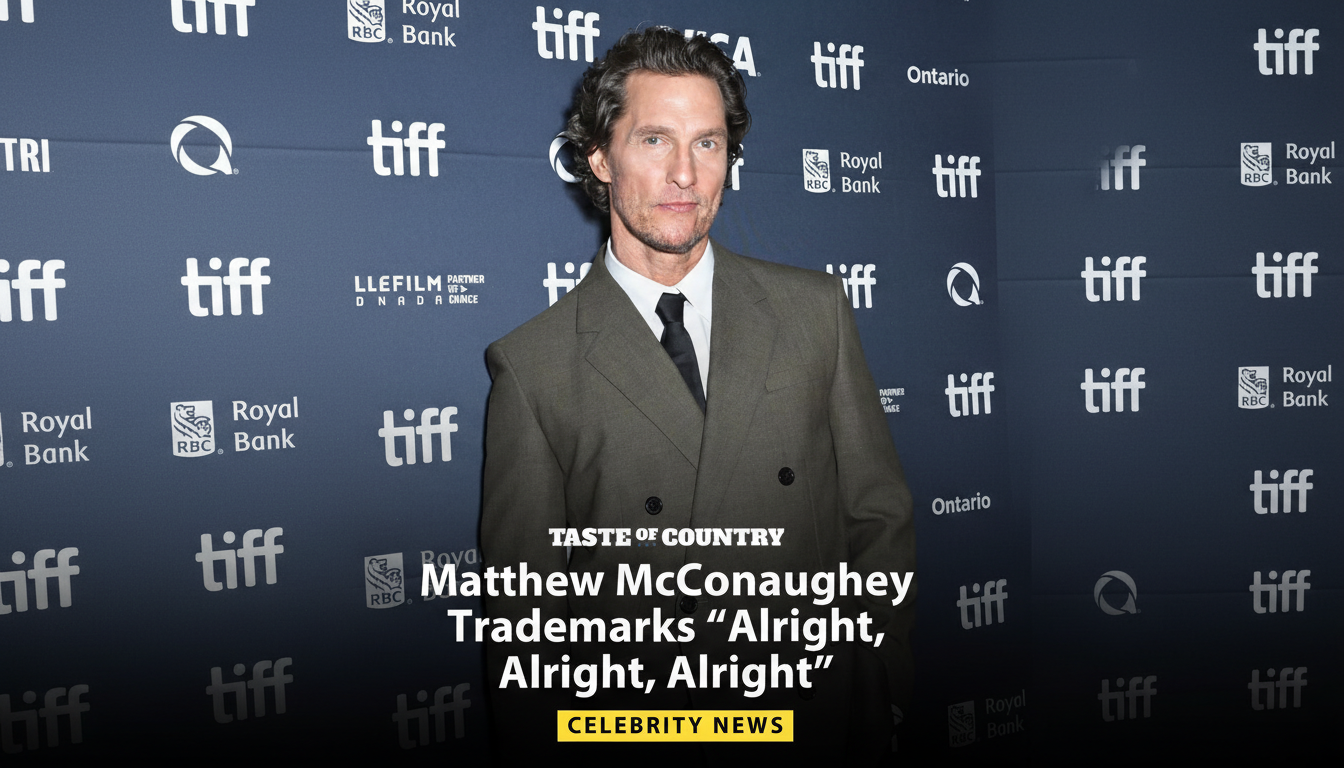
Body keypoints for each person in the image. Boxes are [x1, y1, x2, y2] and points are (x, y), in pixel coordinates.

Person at [480, 27, 914, 764]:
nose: (685, 173)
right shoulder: (533, 367)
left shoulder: (816, 312)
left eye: (708, 144)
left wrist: (870, 682)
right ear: (598, 159)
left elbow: (877, 517)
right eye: (655, 140)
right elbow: (528, 621)